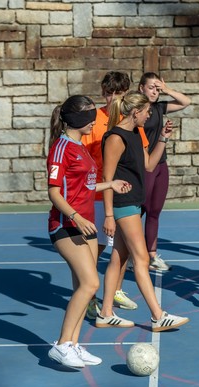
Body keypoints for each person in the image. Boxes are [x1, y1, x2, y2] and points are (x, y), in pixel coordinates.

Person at [46, 95, 131, 368]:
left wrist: (110, 185)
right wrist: (74, 216)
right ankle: (61, 345)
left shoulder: (81, 147)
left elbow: (83, 188)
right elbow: (54, 192)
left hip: (86, 224)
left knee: (81, 287)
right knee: (91, 283)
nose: (95, 120)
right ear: (76, 119)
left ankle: (73, 343)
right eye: (90, 115)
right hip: (66, 226)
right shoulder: (61, 148)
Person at [97, 91, 189, 332]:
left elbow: (149, 165)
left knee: (118, 257)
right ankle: (158, 315)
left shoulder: (136, 134)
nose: (150, 115)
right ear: (135, 111)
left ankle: (106, 312)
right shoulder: (115, 138)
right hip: (122, 204)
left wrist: (163, 138)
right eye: (147, 111)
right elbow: (107, 178)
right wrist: (108, 214)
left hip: (134, 202)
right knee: (142, 259)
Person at [81, 71, 142, 316]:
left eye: (118, 94)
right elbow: (83, 157)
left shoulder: (131, 119)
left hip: (125, 195)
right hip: (98, 194)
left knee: (122, 248)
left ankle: (114, 290)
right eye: (108, 94)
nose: (112, 99)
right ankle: (88, 295)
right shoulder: (94, 119)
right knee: (96, 249)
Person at [137, 73, 192, 271]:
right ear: (141, 87)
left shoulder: (160, 107)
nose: (155, 91)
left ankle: (151, 255)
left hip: (161, 164)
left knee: (154, 211)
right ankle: (132, 254)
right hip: (144, 165)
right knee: (138, 210)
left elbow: (186, 101)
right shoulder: (136, 110)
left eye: (157, 88)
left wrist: (166, 89)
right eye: (151, 87)